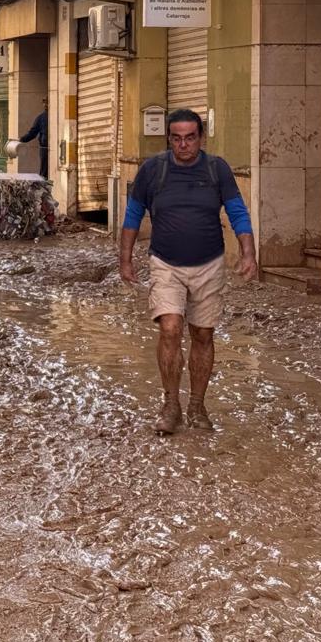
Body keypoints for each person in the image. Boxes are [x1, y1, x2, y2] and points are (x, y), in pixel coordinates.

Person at [119, 108, 258, 435]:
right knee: (169, 328)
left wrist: (248, 253)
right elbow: (133, 215)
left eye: (190, 138)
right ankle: (171, 404)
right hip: (165, 263)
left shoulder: (216, 169)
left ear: (201, 138)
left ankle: (197, 405)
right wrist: (124, 260)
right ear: (169, 138)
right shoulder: (153, 170)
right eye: (177, 138)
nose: (184, 145)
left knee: (202, 334)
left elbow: (237, 211)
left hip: (209, 264)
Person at [17, 100, 49, 180]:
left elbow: (33, 133)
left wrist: (21, 139)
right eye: (44, 103)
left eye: (46, 103)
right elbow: (33, 133)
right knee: (44, 171)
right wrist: (22, 139)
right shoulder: (41, 117)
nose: (45, 105)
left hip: (46, 148)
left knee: (44, 171)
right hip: (45, 148)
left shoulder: (42, 117)